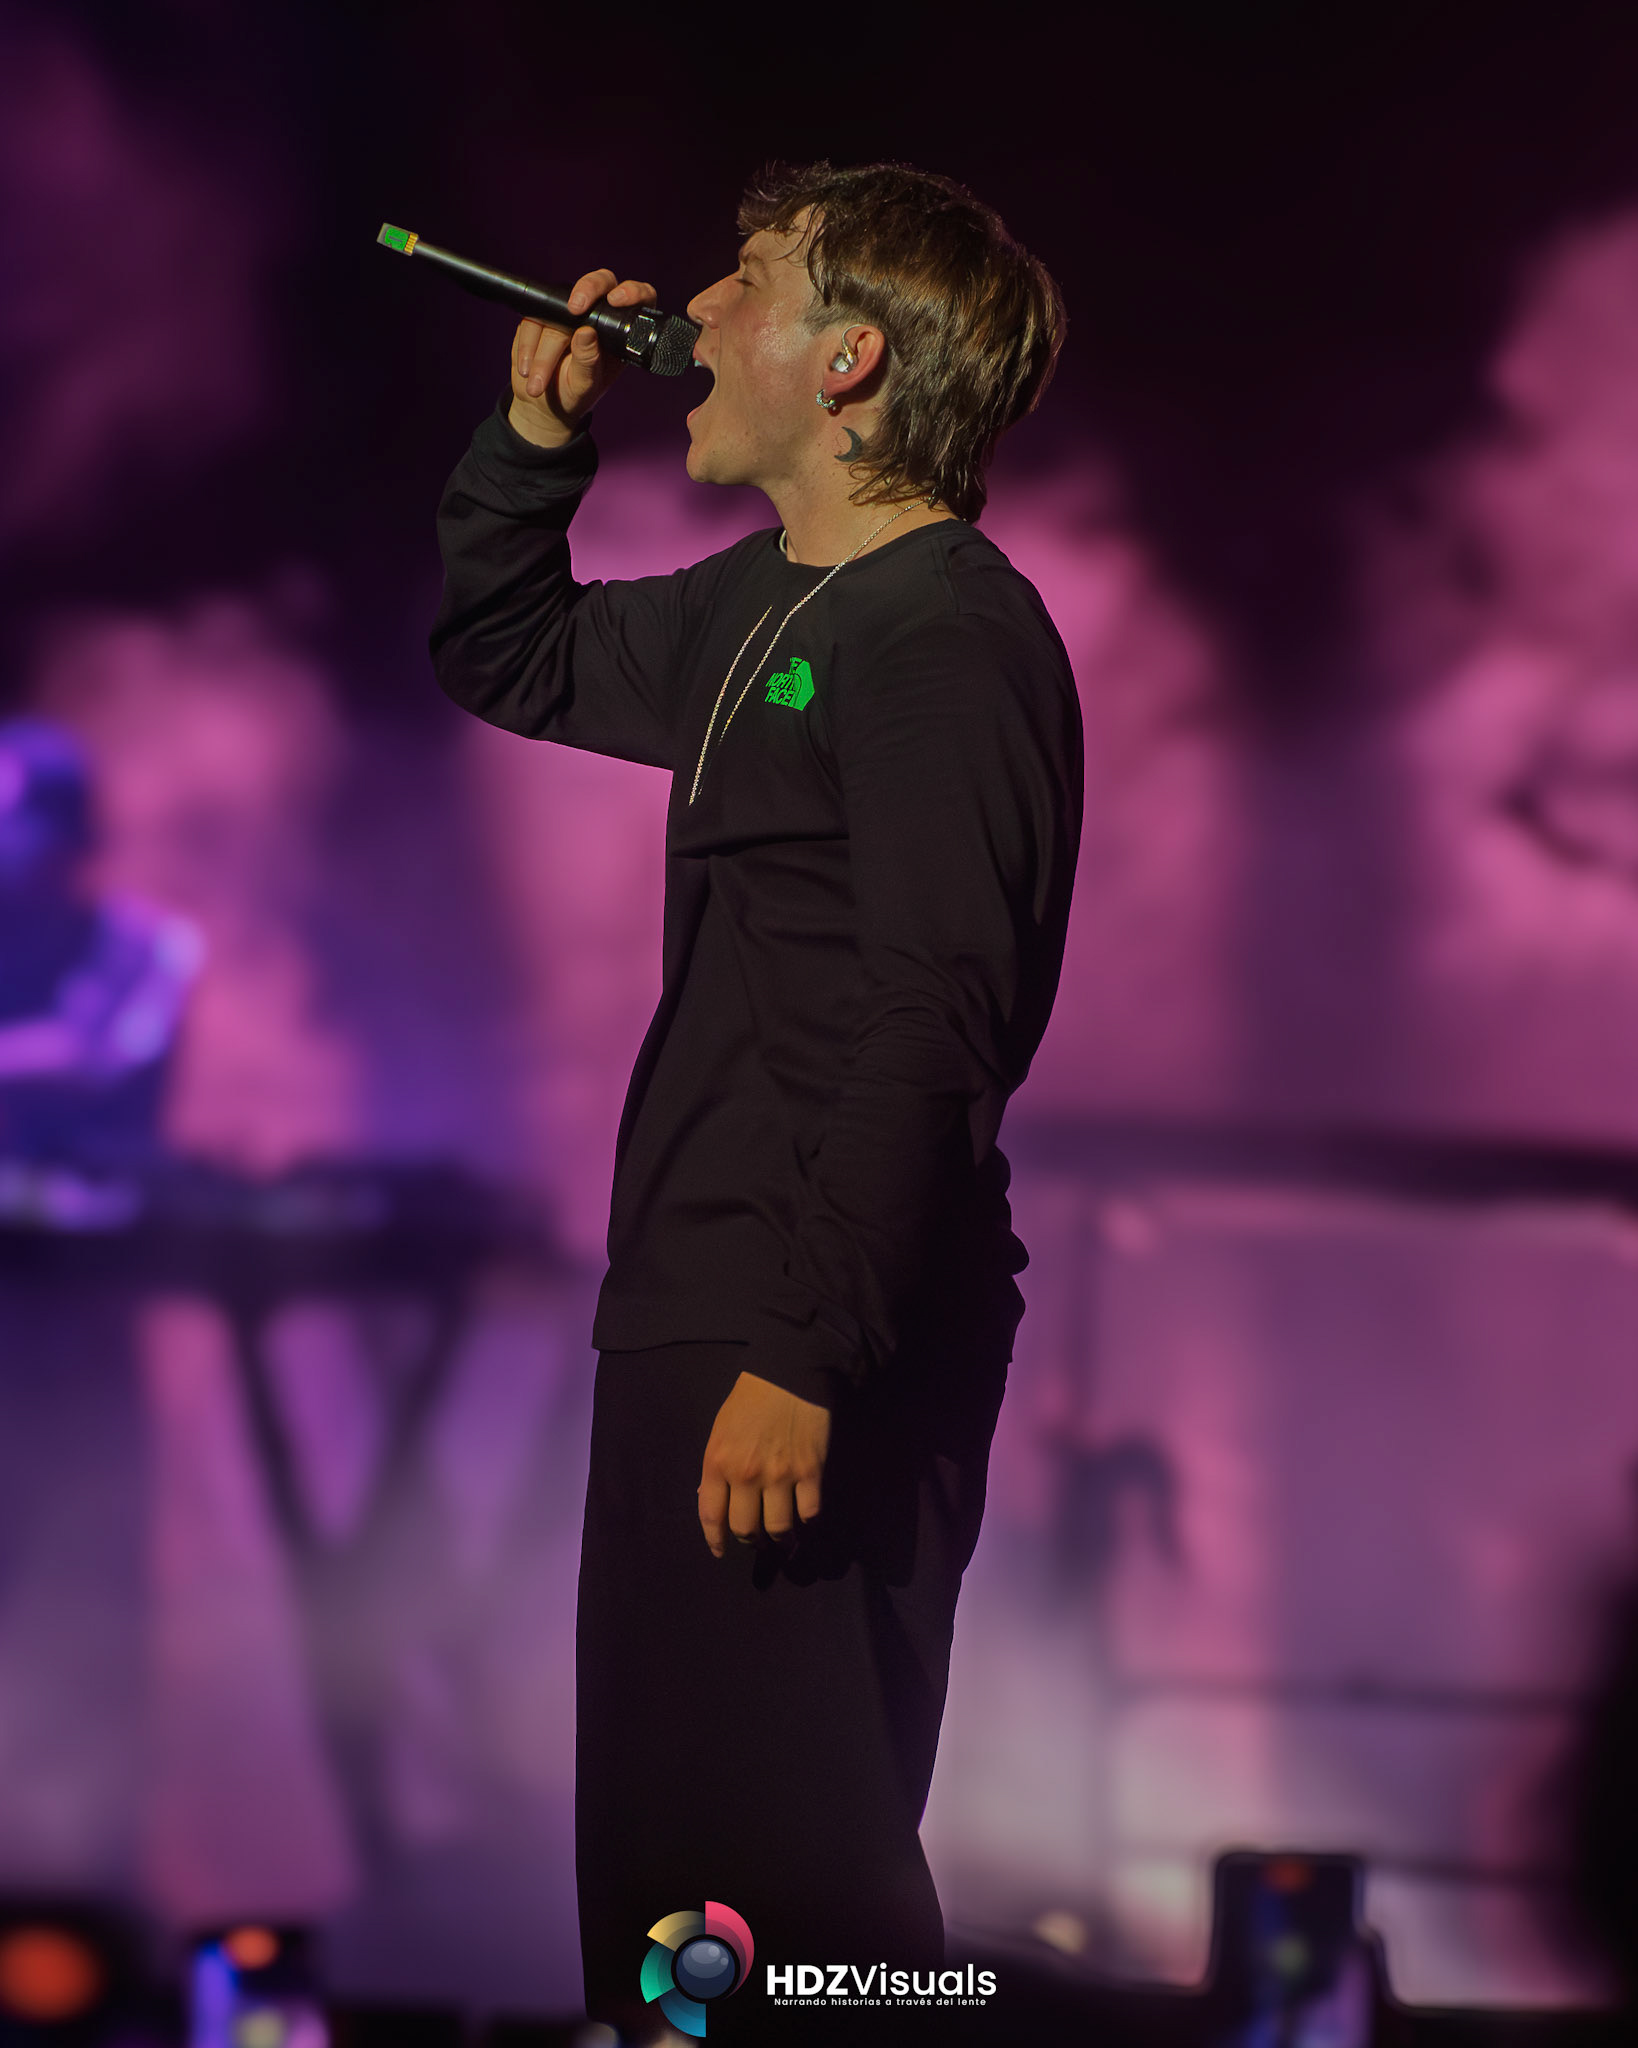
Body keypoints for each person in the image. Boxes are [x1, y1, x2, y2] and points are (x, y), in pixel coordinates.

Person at [431, 160, 1080, 2041]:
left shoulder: (943, 638)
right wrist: (530, 451)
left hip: (810, 1327)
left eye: (746, 281)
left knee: (797, 1891)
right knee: (674, 1902)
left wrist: (804, 1348)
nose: (693, 312)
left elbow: (936, 1018)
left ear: (849, 358)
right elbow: (511, 654)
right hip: (699, 1301)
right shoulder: (764, 604)